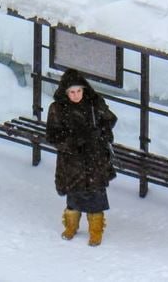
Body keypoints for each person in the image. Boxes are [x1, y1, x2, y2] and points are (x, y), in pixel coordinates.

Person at [46, 68, 117, 247]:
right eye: (72, 92)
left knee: (96, 196)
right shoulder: (57, 108)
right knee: (74, 196)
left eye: (78, 91)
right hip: (72, 161)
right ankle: (71, 226)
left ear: (84, 90)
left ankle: (96, 231)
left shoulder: (94, 103)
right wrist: (74, 141)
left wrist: (100, 133)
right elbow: (53, 136)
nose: (76, 95)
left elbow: (109, 120)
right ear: (65, 92)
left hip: (95, 158)